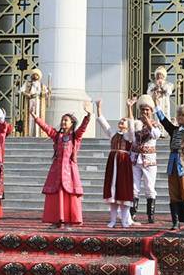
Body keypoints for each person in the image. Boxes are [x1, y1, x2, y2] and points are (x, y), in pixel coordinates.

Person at [33, 101, 91, 227]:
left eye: (66, 120)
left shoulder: (75, 136)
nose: (63, 122)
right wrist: (35, 117)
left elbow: (83, 128)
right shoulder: (57, 136)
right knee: (57, 194)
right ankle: (57, 221)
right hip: (57, 170)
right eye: (62, 120)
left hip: (70, 171)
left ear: (71, 123)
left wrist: (88, 116)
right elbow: (46, 128)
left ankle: (69, 222)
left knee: (69, 194)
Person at [156, 98, 184, 231]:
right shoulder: (174, 130)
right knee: (173, 194)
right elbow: (164, 121)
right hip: (173, 162)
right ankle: (175, 222)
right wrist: (156, 104)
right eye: (179, 114)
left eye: (183, 115)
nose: (181, 117)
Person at [95, 100, 135, 228]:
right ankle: (112, 220)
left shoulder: (129, 136)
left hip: (124, 164)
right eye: (120, 120)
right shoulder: (113, 134)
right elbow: (103, 124)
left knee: (123, 191)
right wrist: (99, 107)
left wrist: (129, 108)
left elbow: (132, 125)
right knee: (112, 192)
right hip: (113, 163)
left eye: (124, 121)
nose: (121, 122)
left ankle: (124, 220)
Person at [129, 96, 164, 223]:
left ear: (151, 110)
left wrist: (148, 122)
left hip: (149, 160)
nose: (145, 112)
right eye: (143, 110)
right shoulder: (136, 123)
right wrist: (129, 108)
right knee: (134, 187)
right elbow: (130, 136)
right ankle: (132, 214)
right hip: (135, 158)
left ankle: (150, 215)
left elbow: (156, 135)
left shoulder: (156, 124)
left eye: (147, 110)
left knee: (149, 187)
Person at [20, 69, 49, 137]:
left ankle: (38, 134)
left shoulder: (41, 85)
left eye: (36, 75)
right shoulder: (28, 84)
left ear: (38, 76)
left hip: (38, 101)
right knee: (30, 117)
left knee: (38, 116)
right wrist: (27, 94)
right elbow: (21, 91)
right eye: (34, 74)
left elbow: (46, 92)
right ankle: (29, 133)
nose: (35, 76)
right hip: (30, 100)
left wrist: (46, 92)